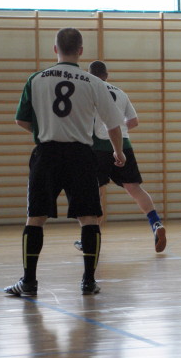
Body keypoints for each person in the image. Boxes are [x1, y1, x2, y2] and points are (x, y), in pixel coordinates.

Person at [5, 28, 126, 296]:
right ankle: (88, 282)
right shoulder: (94, 82)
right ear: (80, 51)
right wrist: (118, 152)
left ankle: (28, 282)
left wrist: (44, 132)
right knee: (89, 218)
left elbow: (21, 120)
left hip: (46, 154)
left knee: (35, 218)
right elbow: (113, 125)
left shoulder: (36, 79)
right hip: (81, 156)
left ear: (55, 49)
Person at [72, 60, 166, 254]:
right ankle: (156, 223)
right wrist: (119, 129)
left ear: (89, 75)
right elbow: (134, 121)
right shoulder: (120, 93)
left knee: (95, 192)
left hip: (97, 146)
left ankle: (91, 237)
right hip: (123, 144)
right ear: (106, 76)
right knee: (135, 188)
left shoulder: (88, 89)